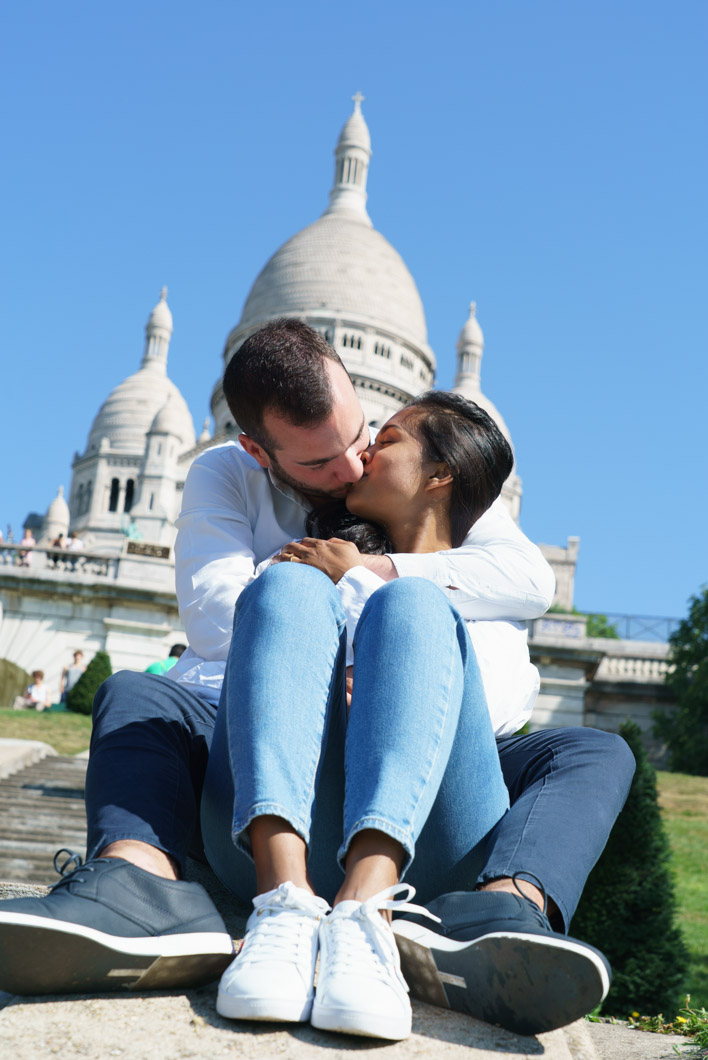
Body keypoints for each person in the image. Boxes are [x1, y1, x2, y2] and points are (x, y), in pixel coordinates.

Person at [0, 320, 634, 1037]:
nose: (355, 465)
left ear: (438, 474)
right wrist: (321, 605)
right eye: (324, 461)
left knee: (586, 743)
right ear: (256, 449)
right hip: (274, 791)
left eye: (371, 436)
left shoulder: (461, 528)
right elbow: (213, 622)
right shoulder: (229, 479)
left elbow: (524, 594)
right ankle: (141, 884)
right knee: (151, 685)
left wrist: (371, 580)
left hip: (429, 815)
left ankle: (500, 913)